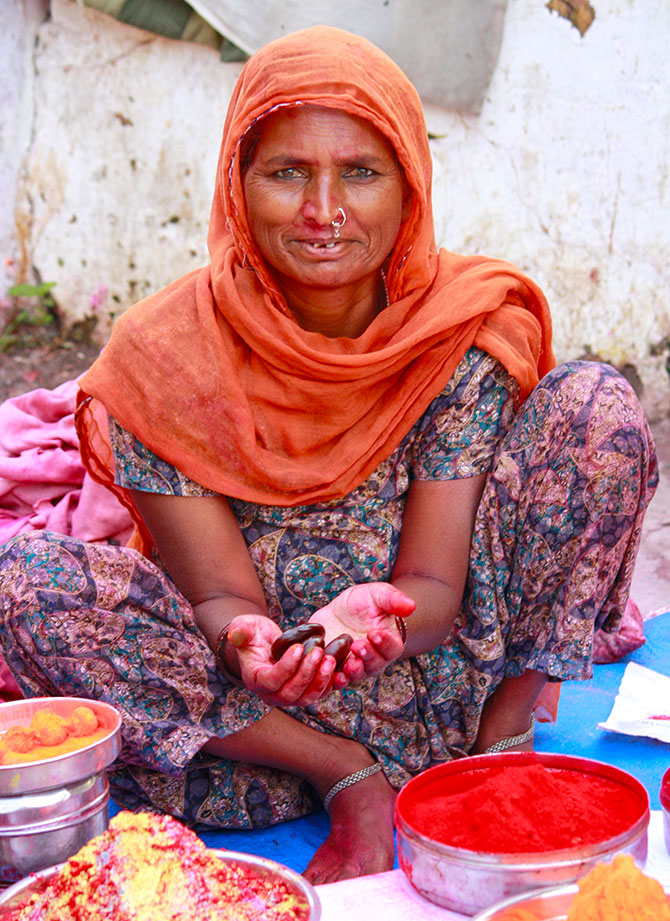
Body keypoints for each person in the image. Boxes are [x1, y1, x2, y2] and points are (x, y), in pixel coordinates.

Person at [0, 26, 658, 884]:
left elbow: (434, 588)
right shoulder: (164, 360)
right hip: (259, 726)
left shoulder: (451, 335)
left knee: (596, 408)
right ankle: (346, 775)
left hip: (444, 676)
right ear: (237, 186)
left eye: (359, 172)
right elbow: (219, 593)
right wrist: (252, 644)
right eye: (286, 173)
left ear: (408, 186)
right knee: (24, 579)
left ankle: (503, 739)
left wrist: (378, 624)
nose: (323, 210)